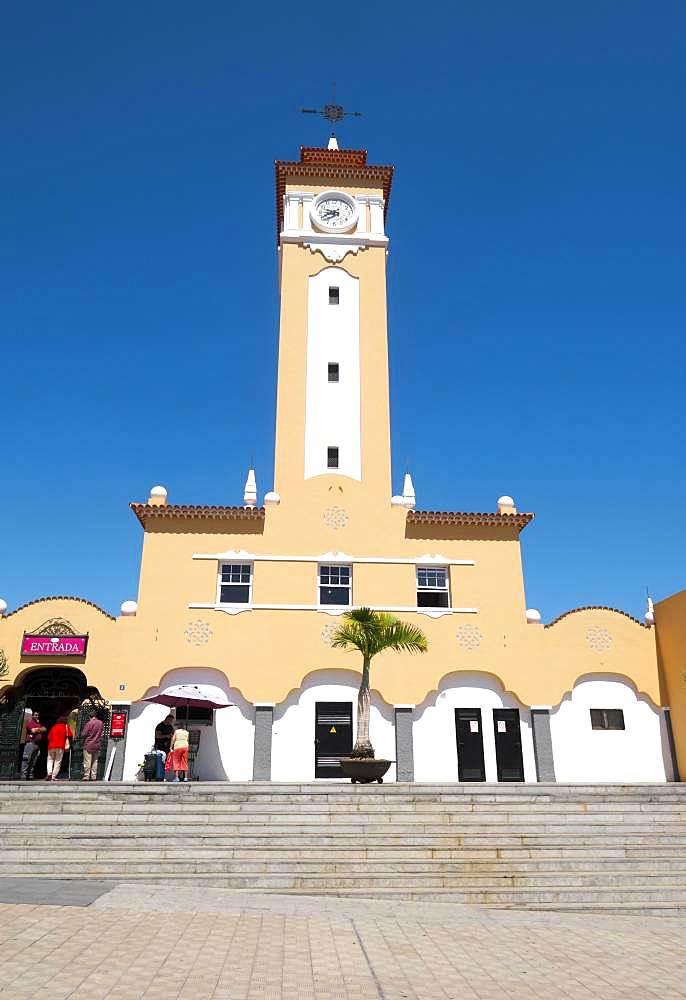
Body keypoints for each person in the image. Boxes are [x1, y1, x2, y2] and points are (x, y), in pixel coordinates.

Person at [46, 714, 73, 781]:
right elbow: (70, 735)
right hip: (60, 746)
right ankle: (53, 776)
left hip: (51, 746)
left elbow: (49, 737)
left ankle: (49, 773)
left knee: (50, 760)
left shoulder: (54, 727)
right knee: (58, 761)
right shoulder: (66, 727)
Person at [21, 710, 46, 780]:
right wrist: (40, 729)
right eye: (35, 715)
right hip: (30, 743)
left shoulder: (39, 723)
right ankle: (24, 774)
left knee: (34, 760)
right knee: (27, 759)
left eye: (38, 715)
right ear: (32, 715)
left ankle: (30, 774)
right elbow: (33, 731)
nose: (37, 716)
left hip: (37, 745)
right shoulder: (30, 723)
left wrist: (38, 729)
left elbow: (45, 729)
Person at [81, 711, 105, 781]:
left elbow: (84, 734)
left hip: (88, 744)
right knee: (95, 761)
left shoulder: (89, 723)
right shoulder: (101, 723)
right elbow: (101, 733)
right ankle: (93, 776)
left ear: (90, 716)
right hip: (97, 745)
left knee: (87, 761)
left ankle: (86, 776)